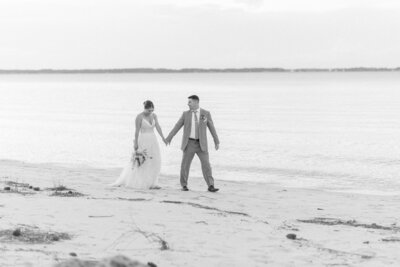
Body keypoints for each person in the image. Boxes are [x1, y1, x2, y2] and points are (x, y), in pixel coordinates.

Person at [166, 95, 220, 192]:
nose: (188, 104)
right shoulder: (185, 114)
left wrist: (216, 141)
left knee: (206, 165)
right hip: (189, 143)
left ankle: (211, 185)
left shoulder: (205, 113)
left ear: (196, 102)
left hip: (201, 144)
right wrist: (170, 137)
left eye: (190, 102)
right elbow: (177, 126)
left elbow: (212, 127)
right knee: (185, 165)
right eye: (188, 102)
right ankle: (184, 185)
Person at [111, 100, 167, 189]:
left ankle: (152, 182)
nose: (150, 112)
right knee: (141, 161)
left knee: (153, 160)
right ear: (145, 108)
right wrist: (136, 143)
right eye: (149, 110)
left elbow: (158, 127)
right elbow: (136, 131)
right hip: (143, 139)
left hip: (153, 140)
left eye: (152, 110)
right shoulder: (139, 117)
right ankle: (139, 182)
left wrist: (163, 138)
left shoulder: (154, 116)